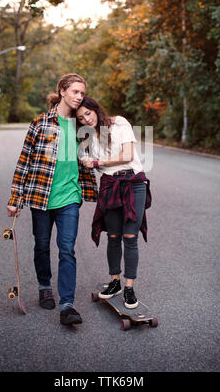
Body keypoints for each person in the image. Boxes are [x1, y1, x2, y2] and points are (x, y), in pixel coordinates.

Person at [7, 74, 98, 325]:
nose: (79, 96)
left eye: (82, 93)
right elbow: (24, 161)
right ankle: (44, 286)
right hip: (41, 196)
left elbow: (90, 160)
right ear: (62, 91)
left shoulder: (83, 127)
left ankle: (67, 304)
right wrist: (16, 197)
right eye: (75, 91)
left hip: (70, 197)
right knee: (42, 245)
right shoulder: (40, 123)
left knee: (67, 249)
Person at [76, 96, 151, 309]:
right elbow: (89, 162)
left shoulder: (119, 123)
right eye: (81, 118)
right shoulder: (88, 138)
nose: (86, 119)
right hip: (109, 185)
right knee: (113, 236)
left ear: (96, 109)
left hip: (133, 183)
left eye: (88, 113)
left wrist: (98, 162)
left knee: (130, 236)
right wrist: (86, 161)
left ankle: (129, 288)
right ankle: (115, 282)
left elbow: (127, 155)